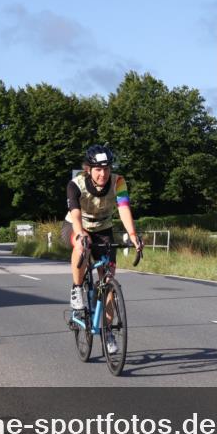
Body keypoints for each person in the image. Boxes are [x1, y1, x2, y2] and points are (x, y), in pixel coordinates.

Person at [61, 145, 143, 353]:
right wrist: (81, 235)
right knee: (82, 244)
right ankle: (77, 290)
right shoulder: (75, 184)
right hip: (76, 226)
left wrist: (133, 236)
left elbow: (124, 209)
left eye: (106, 168)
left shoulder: (118, 182)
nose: (103, 173)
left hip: (104, 228)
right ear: (88, 169)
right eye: (98, 169)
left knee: (107, 282)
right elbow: (76, 216)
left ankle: (107, 331)